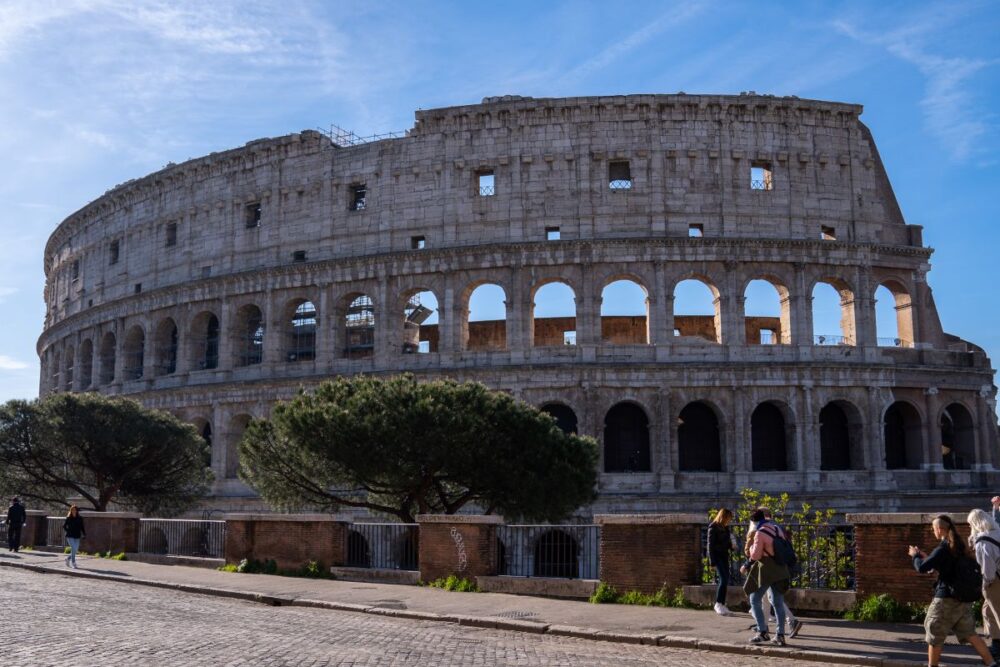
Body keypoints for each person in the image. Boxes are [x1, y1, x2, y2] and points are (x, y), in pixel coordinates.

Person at [909, 514, 999, 667]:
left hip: (945, 599)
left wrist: (915, 556)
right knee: (970, 633)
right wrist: (927, 557)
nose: (933, 532)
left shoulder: (942, 548)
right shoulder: (958, 545)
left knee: (934, 634)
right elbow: (947, 567)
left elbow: (922, 567)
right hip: (961, 600)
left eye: (933, 529)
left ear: (939, 529)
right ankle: (991, 663)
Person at [742, 508, 803, 638]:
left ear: (754, 521)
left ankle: (762, 631)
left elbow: (756, 555)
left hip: (766, 570)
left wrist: (752, 549)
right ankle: (780, 634)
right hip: (781, 569)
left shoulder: (760, 533)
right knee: (777, 602)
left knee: (754, 599)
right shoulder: (776, 529)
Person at [970, 509, 1000, 661]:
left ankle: (997, 647)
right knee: (988, 611)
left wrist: (986, 583)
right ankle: (996, 643)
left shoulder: (983, 541)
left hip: (995, 582)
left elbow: (988, 568)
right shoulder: (997, 533)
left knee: (997, 613)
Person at [708, 508, 735, 616]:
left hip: (724, 555)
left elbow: (727, 542)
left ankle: (722, 604)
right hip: (717, 556)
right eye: (728, 518)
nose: (729, 520)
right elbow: (710, 546)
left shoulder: (726, 528)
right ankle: (718, 603)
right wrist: (712, 562)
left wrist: (731, 546)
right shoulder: (713, 527)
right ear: (723, 517)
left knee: (726, 579)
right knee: (723, 579)